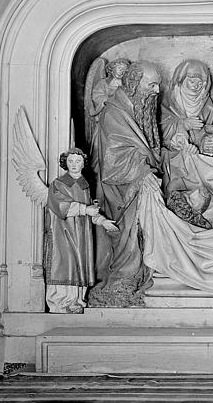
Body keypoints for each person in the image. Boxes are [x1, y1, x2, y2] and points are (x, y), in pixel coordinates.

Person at [89, 61, 162, 307]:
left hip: (139, 184)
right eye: (151, 85)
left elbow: (147, 144)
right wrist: (143, 171)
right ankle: (123, 278)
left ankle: (139, 275)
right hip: (121, 188)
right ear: (133, 84)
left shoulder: (139, 108)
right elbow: (114, 158)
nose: (156, 91)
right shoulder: (113, 113)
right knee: (126, 233)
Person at [45, 148, 117, 313]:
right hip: (64, 233)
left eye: (78, 161)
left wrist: (103, 221)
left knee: (80, 263)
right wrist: (86, 209)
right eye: (70, 161)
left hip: (82, 234)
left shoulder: (84, 185)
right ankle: (62, 302)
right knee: (66, 263)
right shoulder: (59, 183)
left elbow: (92, 209)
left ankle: (77, 300)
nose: (74, 165)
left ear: (84, 163)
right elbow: (61, 206)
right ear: (65, 163)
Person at [161, 59, 213, 192]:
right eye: (192, 81)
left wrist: (211, 143)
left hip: (200, 159)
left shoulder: (207, 105)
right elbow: (160, 131)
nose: (196, 86)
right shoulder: (169, 101)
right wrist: (182, 124)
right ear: (181, 79)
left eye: (200, 83)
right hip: (175, 159)